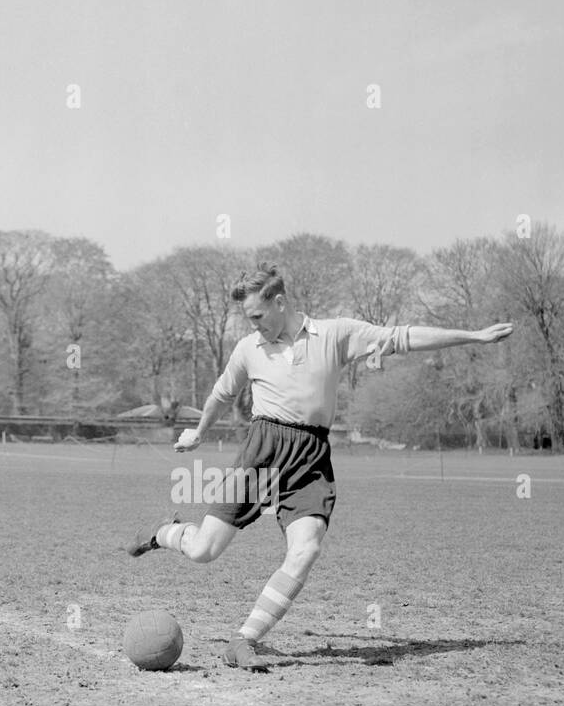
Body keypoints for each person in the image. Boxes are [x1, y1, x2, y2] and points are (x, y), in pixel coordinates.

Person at [127, 265, 513, 670]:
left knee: (306, 549)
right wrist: (198, 433)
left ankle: (243, 640)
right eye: (248, 320)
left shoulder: (334, 334)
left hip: (310, 458)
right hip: (263, 451)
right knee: (204, 550)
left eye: (258, 316)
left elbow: (401, 336)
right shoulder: (248, 349)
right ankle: (163, 532)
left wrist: (474, 336)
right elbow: (222, 393)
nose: (254, 326)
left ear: (280, 303)